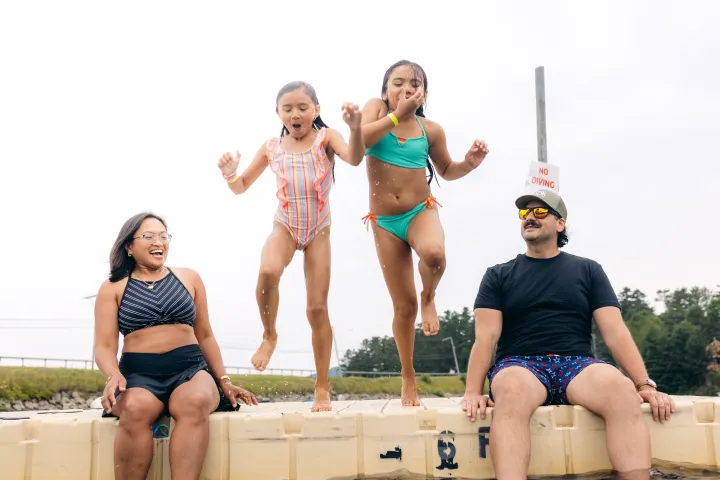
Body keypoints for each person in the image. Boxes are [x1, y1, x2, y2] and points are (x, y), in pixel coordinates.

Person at [461, 189, 675, 479]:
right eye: (525, 213)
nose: (530, 218)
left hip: (577, 366)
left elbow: (614, 331)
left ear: (560, 223)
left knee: (620, 389)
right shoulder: (498, 275)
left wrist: (643, 384)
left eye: (539, 212)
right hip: (520, 365)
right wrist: (473, 392)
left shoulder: (588, 270)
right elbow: (486, 338)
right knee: (510, 390)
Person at [216, 81, 364, 412]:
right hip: (285, 224)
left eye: (302, 108)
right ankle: (270, 335)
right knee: (268, 270)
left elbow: (355, 158)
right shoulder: (271, 147)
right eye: (288, 109)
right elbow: (241, 187)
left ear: (316, 110)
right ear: (278, 114)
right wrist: (229, 174)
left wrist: (355, 128)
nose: (295, 114)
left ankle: (322, 386)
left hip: (318, 232)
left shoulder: (326, 138)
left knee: (316, 308)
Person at [359, 60, 489, 406]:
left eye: (413, 84)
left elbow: (446, 170)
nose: (404, 88)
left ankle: (430, 295)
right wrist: (394, 115)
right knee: (404, 308)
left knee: (434, 253)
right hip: (385, 223)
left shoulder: (430, 130)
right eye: (397, 83)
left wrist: (469, 165)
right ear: (385, 90)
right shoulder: (376, 110)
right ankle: (408, 375)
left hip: (420, 211)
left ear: (424, 94)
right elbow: (361, 139)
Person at [94, 212, 258, 480]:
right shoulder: (112, 288)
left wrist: (225, 381)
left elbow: (205, 335)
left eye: (163, 235)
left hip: (190, 370)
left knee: (193, 402)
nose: (158, 241)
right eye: (148, 236)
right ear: (129, 246)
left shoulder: (189, 278)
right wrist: (113, 376)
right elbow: (104, 345)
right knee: (134, 409)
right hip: (138, 375)